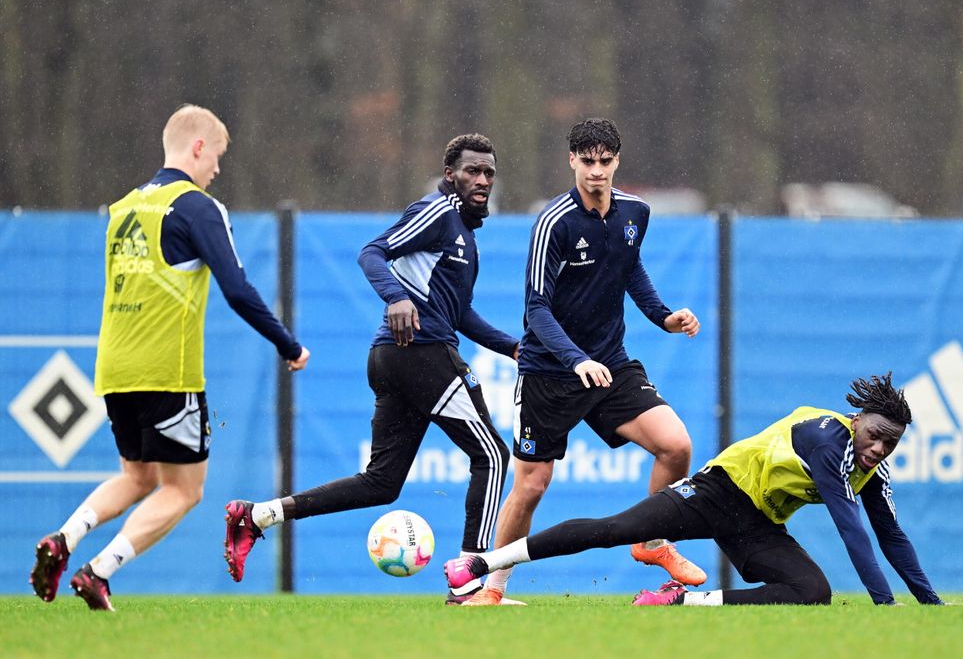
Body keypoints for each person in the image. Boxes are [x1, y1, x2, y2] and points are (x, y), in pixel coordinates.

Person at [29, 104, 310, 612]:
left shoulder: (123, 208)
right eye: (218, 156)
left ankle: (63, 541)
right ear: (198, 147)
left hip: (114, 367)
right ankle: (98, 572)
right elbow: (238, 291)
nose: (218, 170)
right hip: (166, 370)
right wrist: (289, 345)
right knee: (184, 490)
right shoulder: (198, 207)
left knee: (137, 478)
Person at [224, 134, 519, 605]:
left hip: (401, 358)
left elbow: (460, 313)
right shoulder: (437, 211)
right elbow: (372, 252)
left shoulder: (465, 238)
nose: (482, 180)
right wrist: (397, 297)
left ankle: (258, 516)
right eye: (471, 171)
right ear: (450, 175)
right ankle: (470, 583)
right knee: (494, 456)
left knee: (381, 483)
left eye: (488, 172)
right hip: (419, 352)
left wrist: (513, 347)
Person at [461, 118, 705, 606]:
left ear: (617, 161)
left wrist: (663, 316)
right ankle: (492, 588)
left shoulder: (636, 211)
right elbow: (536, 309)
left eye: (605, 161)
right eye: (587, 161)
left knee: (676, 447)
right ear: (572, 160)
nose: (596, 171)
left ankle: (651, 541)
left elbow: (629, 264)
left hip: (610, 364)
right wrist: (574, 360)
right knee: (532, 483)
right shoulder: (554, 222)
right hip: (550, 373)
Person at [446, 373, 944, 606]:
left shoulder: (868, 469)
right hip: (715, 493)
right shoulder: (827, 437)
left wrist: (929, 605)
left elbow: (892, 538)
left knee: (812, 591)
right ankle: (482, 564)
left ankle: (681, 602)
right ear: (857, 420)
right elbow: (851, 528)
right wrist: (885, 604)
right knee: (614, 529)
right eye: (874, 434)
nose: (878, 448)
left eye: (890, 443)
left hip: (758, 522)